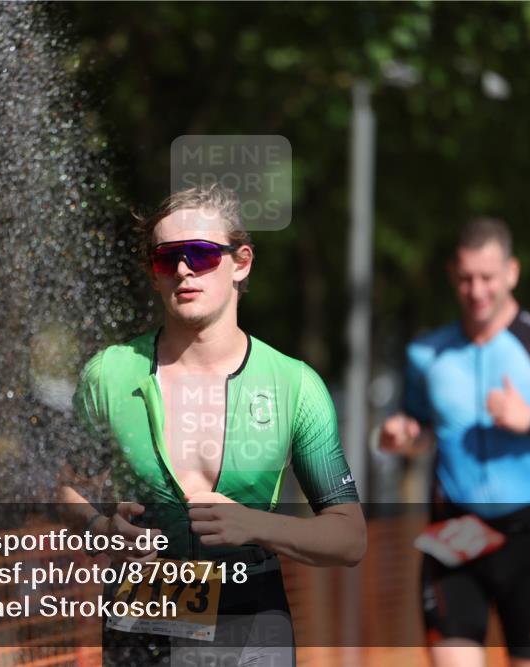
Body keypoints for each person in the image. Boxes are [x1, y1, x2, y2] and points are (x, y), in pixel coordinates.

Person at [57, 185, 366, 666]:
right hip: (142, 616)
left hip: (252, 616)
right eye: (166, 258)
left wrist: (255, 525)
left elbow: (349, 537)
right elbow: (67, 490)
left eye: (201, 255)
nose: (183, 269)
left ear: (241, 263)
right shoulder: (109, 374)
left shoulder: (293, 385)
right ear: (154, 274)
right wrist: (101, 527)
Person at [380, 218, 530, 667]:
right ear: (452, 275)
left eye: (487, 277)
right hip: (454, 540)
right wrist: (402, 437)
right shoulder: (426, 353)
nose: (477, 290)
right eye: (466, 278)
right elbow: (420, 430)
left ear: (512, 272)